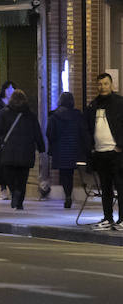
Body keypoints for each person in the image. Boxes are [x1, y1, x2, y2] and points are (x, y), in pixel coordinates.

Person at [0, 90, 45, 210]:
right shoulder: (30, 115)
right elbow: (37, 133)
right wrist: (41, 147)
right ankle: (20, 202)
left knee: (10, 176)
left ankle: (14, 191)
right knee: (22, 178)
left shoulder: (4, 113)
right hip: (26, 152)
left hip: (9, 152)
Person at [86, 73, 123, 230]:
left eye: (106, 84)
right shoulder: (93, 105)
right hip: (100, 153)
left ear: (111, 84)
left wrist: (120, 146)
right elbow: (87, 128)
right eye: (100, 84)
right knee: (105, 188)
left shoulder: (120, 103)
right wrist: (92, 148)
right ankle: (107, 218)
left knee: (120, 187)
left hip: (116, 153)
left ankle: (122, 220)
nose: (103, 87)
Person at [47, 92, 88, 209]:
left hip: (60, 150)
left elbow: (49, 133)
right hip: (73, 149)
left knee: (63, 173)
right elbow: (82, 132)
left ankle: (67, 196)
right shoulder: (77, 115)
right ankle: (68, 195)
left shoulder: (54, 116)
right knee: (69, 173)